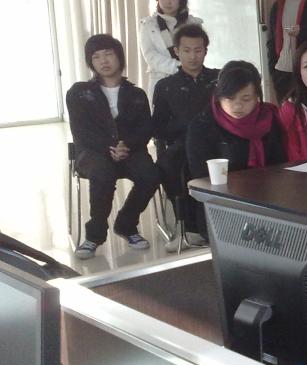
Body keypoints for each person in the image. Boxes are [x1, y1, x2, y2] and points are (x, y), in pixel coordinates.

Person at [66, 34, 161, 259]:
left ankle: (126, 224)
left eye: (108, 54)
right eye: (96, 57)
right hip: (92, 152)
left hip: (129, 150)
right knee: (102, 173)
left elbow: (145, 128)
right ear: (91, 62)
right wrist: (109, 147)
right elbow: (81, 130)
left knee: (151, 175)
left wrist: (126, 146)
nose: (103, 61)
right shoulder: (79, 92)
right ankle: (94, 235)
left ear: (119, 57)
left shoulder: (136, 94)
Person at [186, 61, 287, 234]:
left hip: (268, 201)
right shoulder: (203, 125)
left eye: (246, 99)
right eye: (230, 98)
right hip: (222, 207)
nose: (237, 106)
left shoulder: (269, 119)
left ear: (257, 96)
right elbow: (201, 176)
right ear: (218, 96)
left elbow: (280, 165)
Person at [151, 24, 219, 249]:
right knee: (169, 165)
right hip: (182, 143)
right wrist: (186, 125)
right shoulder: (165, 86)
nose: (192, 56)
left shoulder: (219, 79)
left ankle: (221, 222)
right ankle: (188, 226)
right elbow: (158, 127)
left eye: (198, 50)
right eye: (187, 50)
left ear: (205, 51)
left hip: (216, 142)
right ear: (176, 52)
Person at [139, 0, 203, 99]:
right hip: (160, 78)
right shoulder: (148, 24)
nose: (168, 2)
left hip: (190, 78)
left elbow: (198, 50)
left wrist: (187, 69)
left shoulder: (193, 23)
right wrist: (179, 67)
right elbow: (150, 55)